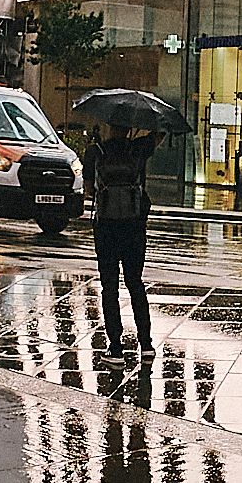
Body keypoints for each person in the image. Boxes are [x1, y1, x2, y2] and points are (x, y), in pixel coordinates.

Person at [85, 121, 157, 349]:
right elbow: (160, 134)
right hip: (134, 228)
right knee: (135, 283)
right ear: (128, 127)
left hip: (106, 227)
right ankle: (146, 345)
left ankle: (115, 346)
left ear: (107, 125)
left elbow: (88, 188)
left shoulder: (95, 151)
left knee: (110, 287)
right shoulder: (139, 148)